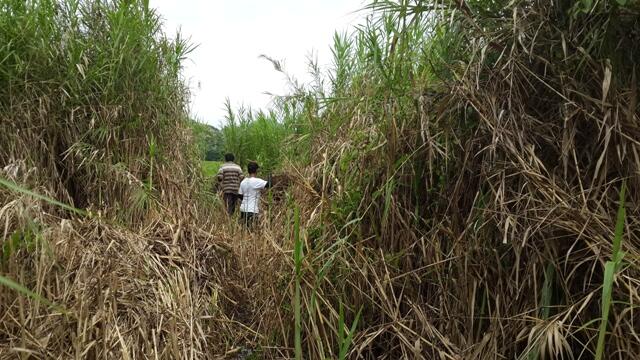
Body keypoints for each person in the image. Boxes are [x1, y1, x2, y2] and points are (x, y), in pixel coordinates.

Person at [238, 161, 271, 228]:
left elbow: (240, 195)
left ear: (248, 170)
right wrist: (270, 175)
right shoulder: (257, 181)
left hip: (243, 209)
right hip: (252, 211)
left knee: (245, 231)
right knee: (252, 231)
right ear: (257, 170)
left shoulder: (243, 182)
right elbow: (269, 184)